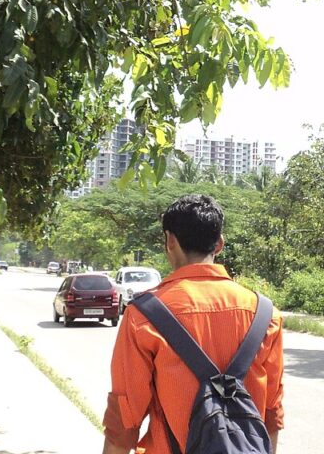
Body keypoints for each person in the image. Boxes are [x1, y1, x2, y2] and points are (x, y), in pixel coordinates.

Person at [102, 194, 284, 454]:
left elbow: (125, 418)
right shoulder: (265, 314)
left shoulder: (143, 315)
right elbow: (270, 414)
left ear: (170, 241)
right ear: (219, 244)